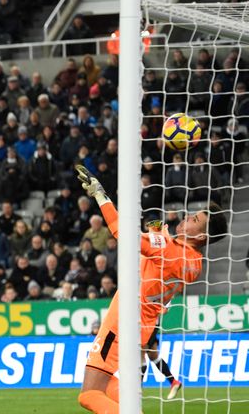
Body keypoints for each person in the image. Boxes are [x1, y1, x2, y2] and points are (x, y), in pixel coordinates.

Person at [75, 165, 227, 413]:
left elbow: (122, 232)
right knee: (104, 389)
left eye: (195, 220)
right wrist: (159, 233)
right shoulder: (195, 263)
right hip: (142, 326)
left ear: (201, 237)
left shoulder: (169, 250)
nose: (188, 217)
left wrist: (100, 194)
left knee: (90, 394)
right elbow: (159, 267)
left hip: (123, 321)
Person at [142, 317, 182, 400]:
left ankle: (136, 391)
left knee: (139, 357)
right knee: (153, 356)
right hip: (152, 323)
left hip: (146, 323)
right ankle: (173, 382)